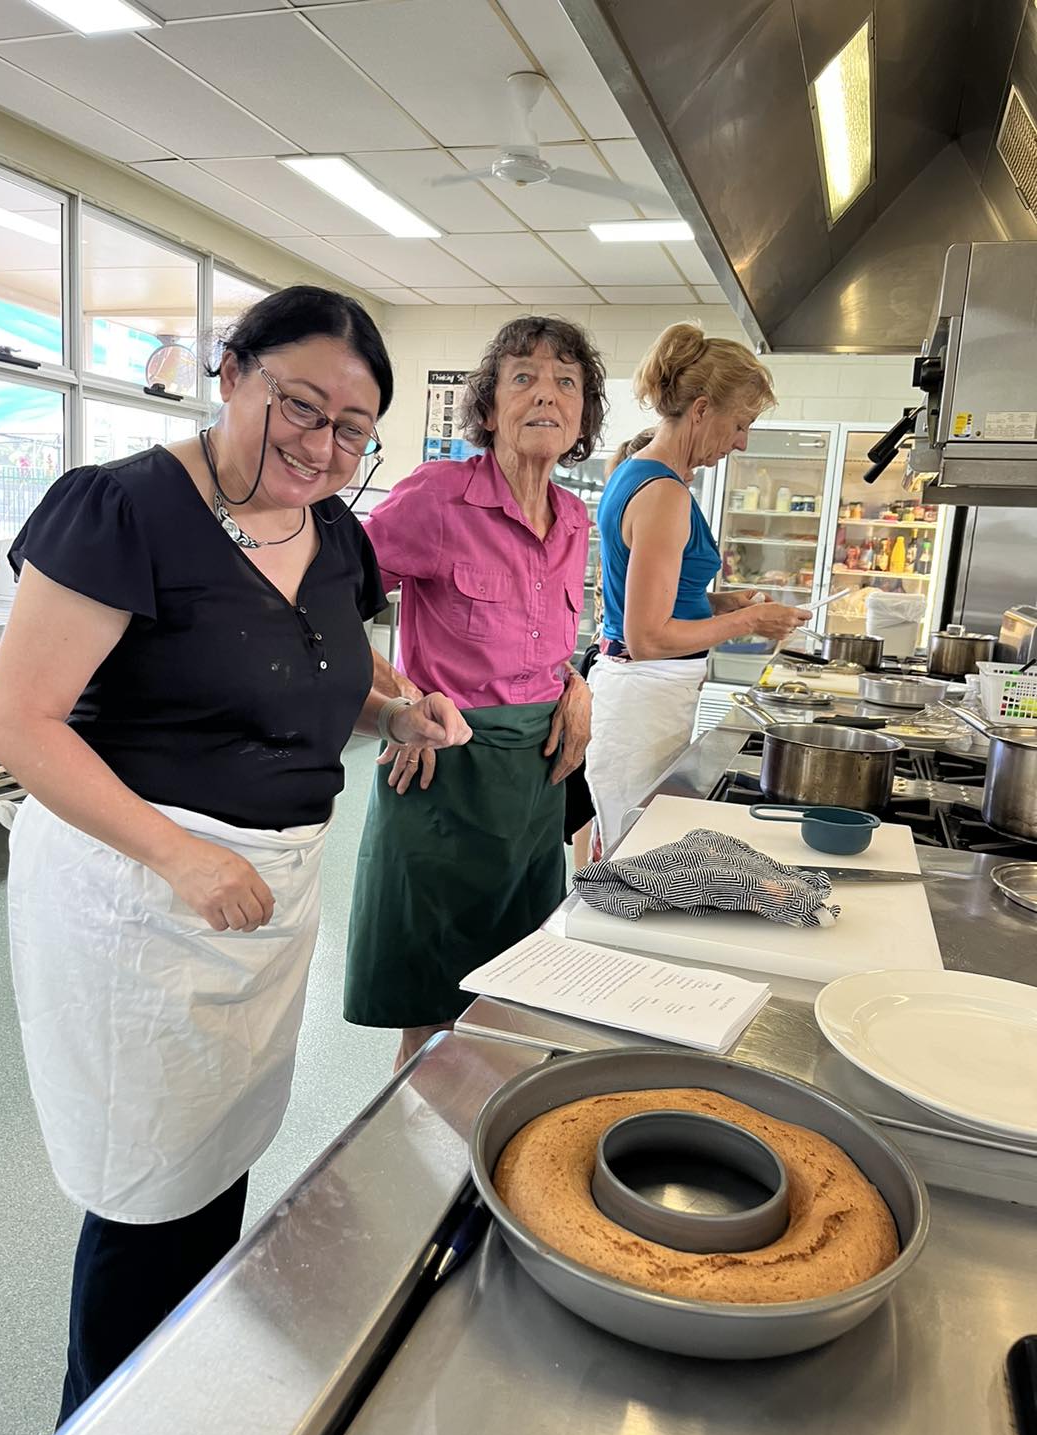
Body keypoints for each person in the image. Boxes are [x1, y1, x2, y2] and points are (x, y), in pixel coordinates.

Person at [0, 286, 471, 1428]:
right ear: (232, 371)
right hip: (139, 896)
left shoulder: (334, 534)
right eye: (301, 407)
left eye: (353, 429)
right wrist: (180, 857)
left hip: (264, 900)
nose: (323, 446)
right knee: (148, 1192)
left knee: (217, 1159)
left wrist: (394, 712)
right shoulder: (121, 509)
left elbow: (314, 678)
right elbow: (18, 723)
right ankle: (106, 1414)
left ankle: (182, 1392)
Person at [343, 315, 606, 1068]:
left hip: (534, 781)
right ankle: (414, 1139)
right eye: (524, 378)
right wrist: (399, 701)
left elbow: (541, 636)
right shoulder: (437, 498)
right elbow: (321, 603)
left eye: (566, 382)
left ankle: (495, 1137)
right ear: (488, 409)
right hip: (443, 775)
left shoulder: (574, 517)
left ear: (583, 417)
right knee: (432, 1007)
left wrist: (575, 682)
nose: (547, 395)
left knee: (515, 993)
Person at [584, 323, 811, 852]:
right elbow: (648, 638)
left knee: (629, 845)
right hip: (643, 696)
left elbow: (655, 600)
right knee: (631, 858)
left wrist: (722, 603)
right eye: (740, 424)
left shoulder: (644, 475)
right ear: (703, 409)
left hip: (643, 694)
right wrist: (749, 621)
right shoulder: (662, 493)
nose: (742, 441)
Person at [566, 426, 657, 868]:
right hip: (621, 665)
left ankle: (584, 874)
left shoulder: (623, 515)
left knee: (590, 791)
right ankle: (588, 878)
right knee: (596, 794)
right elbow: (649, 627)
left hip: (604, 657)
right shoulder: (644, 519)